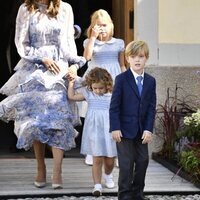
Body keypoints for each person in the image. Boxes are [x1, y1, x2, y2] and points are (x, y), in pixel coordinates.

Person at [0, 0, 86, 189]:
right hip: (33, 70)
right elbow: (21, 43)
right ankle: (40, 168)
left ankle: (57, 171)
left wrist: (73, 63)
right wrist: (42, 58)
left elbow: (68, 42)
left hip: (58, 70)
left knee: (59, 121)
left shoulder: (65, 8)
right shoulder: (25, 9)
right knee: (36, 122)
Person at [109, 40, 157, 200]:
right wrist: (115, 127)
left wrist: (149, 129)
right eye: (133, 56)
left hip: (142, 130)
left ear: (146, 58)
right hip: (123, 130)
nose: (137, 60)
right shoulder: (121, 79)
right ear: (127, 59)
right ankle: (124, 195)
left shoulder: (151, 81)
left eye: (141, 56)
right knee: (126, 164)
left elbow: (151, 107)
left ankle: (137, 194)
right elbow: (114, 106)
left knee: (143, 161)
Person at [81, 9, 126, 165]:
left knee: (114, 114)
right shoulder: (89, 42)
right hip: (95, 79)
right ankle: (93, 151)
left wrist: (126, 81)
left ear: (111, 25)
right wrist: (93, 38)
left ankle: (115, 152)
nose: (102, 28)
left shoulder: (119, 43)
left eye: (105, 25)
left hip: (113, 80)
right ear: (93, 27)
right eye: (98, 25)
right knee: (95, 114)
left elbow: (122, 64)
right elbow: (86, 57)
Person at [68, 67, 117, 196]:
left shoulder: (112, 95)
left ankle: (108, 174)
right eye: (95, 88)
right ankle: (97, 185)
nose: (98, 91)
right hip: (94, 131)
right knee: (97, 159)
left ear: (107, 85)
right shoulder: (89, 94)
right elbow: (71, 96)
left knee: (110, 160)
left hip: (109, 130)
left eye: (101, 88)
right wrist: (71, 83)